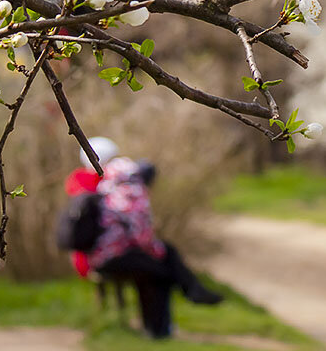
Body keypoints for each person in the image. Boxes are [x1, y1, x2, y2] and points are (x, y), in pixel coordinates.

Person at [64, 136, 222, 338]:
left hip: (97, 255)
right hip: (111, 256)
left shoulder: (104, 185)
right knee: (162, 271)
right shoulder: (130, 189)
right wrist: (156, 251)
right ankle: (160, 328)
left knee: (164, 256)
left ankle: (190, 293)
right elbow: (141, 236)